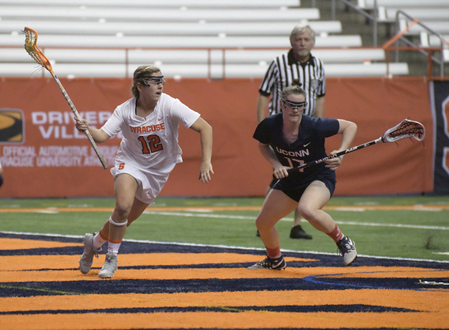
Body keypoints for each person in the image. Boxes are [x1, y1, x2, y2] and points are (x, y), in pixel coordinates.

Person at [76, 65, 214, 279]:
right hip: (130, 162)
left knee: (124, 219)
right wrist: (87, 128)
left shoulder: (169, 105)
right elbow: (102, 136)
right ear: (139, 86)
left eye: (162, 80)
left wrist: (206, 161)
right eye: (155, 81)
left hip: (158, 171)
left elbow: (205, 127)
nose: (161, 85)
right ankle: (111, 258)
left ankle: (93, 243)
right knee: (122, 207)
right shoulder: (124, 110)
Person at [248, 83, 357, 270]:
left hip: (319, 177)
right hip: (291, 181)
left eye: (300, 105)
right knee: (262, 224)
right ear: (282, 104)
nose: (295, 109)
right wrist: (276, 164)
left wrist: (341, 152)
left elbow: (350, 126)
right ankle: (275, 260)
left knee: (307, 209)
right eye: (291, 104)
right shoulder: (270, 124)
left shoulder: (314, 125)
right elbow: (263, 145)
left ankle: (344, 241)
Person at [255, 24, 326, 240]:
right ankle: (264, 221)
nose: (302, 43)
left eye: (306, 39)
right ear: (291, 41)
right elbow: (263, 94)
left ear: (312, 42)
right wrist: (263, 124)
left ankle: (296, 225)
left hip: (307, 129)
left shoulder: (318, 65)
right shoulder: (279, 63)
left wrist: (319, 126)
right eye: (298, 39)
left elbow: (320, 96)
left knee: (303, 173)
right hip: (282, 129)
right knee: (280, 175)